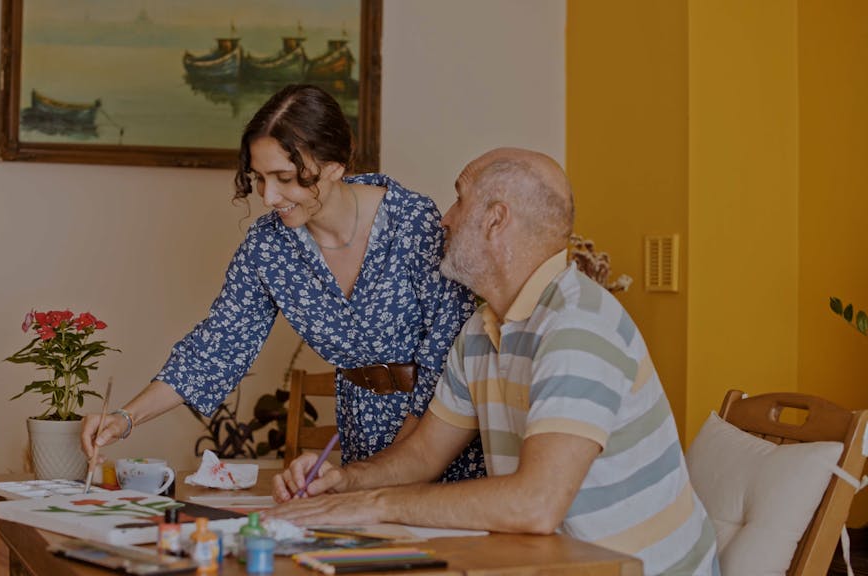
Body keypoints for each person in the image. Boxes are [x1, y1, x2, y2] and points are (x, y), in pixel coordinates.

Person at [269, 148, 719, 576]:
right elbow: (424, 454)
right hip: (555, 563)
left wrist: (378, 503)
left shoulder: (578, 325)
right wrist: (343, 482)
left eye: (460, 199)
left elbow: (534, 504)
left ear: (495, 219)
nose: (444, 218)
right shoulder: (482, 330)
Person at [81, 84, 485, 482]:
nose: (269, 196)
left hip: (439, 433)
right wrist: (125, 418)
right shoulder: (268, 245)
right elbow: (219, 344)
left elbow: (448, 354)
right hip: (362, 442)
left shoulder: (415, 223)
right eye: (258, 178)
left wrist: (397, 466)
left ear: (334, 166)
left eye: (284, 177)